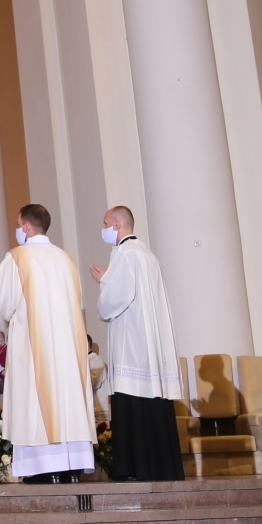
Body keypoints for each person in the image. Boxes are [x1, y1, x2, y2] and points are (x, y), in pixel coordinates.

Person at [0, 204, 96, 484]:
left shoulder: (18, 258)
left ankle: (42, 468)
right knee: (67, 400)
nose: (16, 230)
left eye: (17, 223)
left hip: (34, 345)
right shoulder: (66, 259)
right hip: (67, 347)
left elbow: (3, 302)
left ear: (26, 226)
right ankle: (70, 466)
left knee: (34, 402)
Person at [90, 205, 184, 481]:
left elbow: (115, 299)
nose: (104, 229)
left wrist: (104, 284)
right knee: (152, 406)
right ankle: (162, 467)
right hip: (148, 344)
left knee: (133, 401)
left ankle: (135, 469)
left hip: (133, 344)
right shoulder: (146, 254)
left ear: (117, 225)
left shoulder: (125, 254)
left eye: (106, 223)